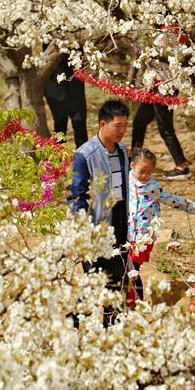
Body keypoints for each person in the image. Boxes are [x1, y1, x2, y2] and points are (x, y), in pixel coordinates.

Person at [68, 100, 131, 324]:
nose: (122, 131)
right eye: (118, 126)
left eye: (125, 125)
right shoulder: (85, 154)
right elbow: (76, 195)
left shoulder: (123, 151)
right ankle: (74, 323)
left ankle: (109, 328)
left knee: (117, 279)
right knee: (96, 280)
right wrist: (84, 230)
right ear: (102, 124)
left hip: (121, 220)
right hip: (97, 224)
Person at [126, 147, 195, 305]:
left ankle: (137, 304)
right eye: (142, 171)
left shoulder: (152, 187)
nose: (146, 175)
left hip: (143, 237)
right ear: (132, 166)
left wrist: (193, 208)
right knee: (127, 269)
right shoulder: (124, 183)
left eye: (150, 172)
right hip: (126, 235)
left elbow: (171, 199)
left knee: (132, 269)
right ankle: (132, 303)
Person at [131, 27, 195, 180]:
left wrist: (142, 48)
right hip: (154, 86)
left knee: (165, 128)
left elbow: (156, 56)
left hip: (165, 87)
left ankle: (182, 167)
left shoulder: (171, 33)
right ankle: (135, 157)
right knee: (139, 122)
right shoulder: (162, 32)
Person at [44, 56, 88, 147]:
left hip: (76, 88)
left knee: (80, 123)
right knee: (60, 126)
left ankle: (83, 158)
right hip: (56, 89)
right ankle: (59, 157)